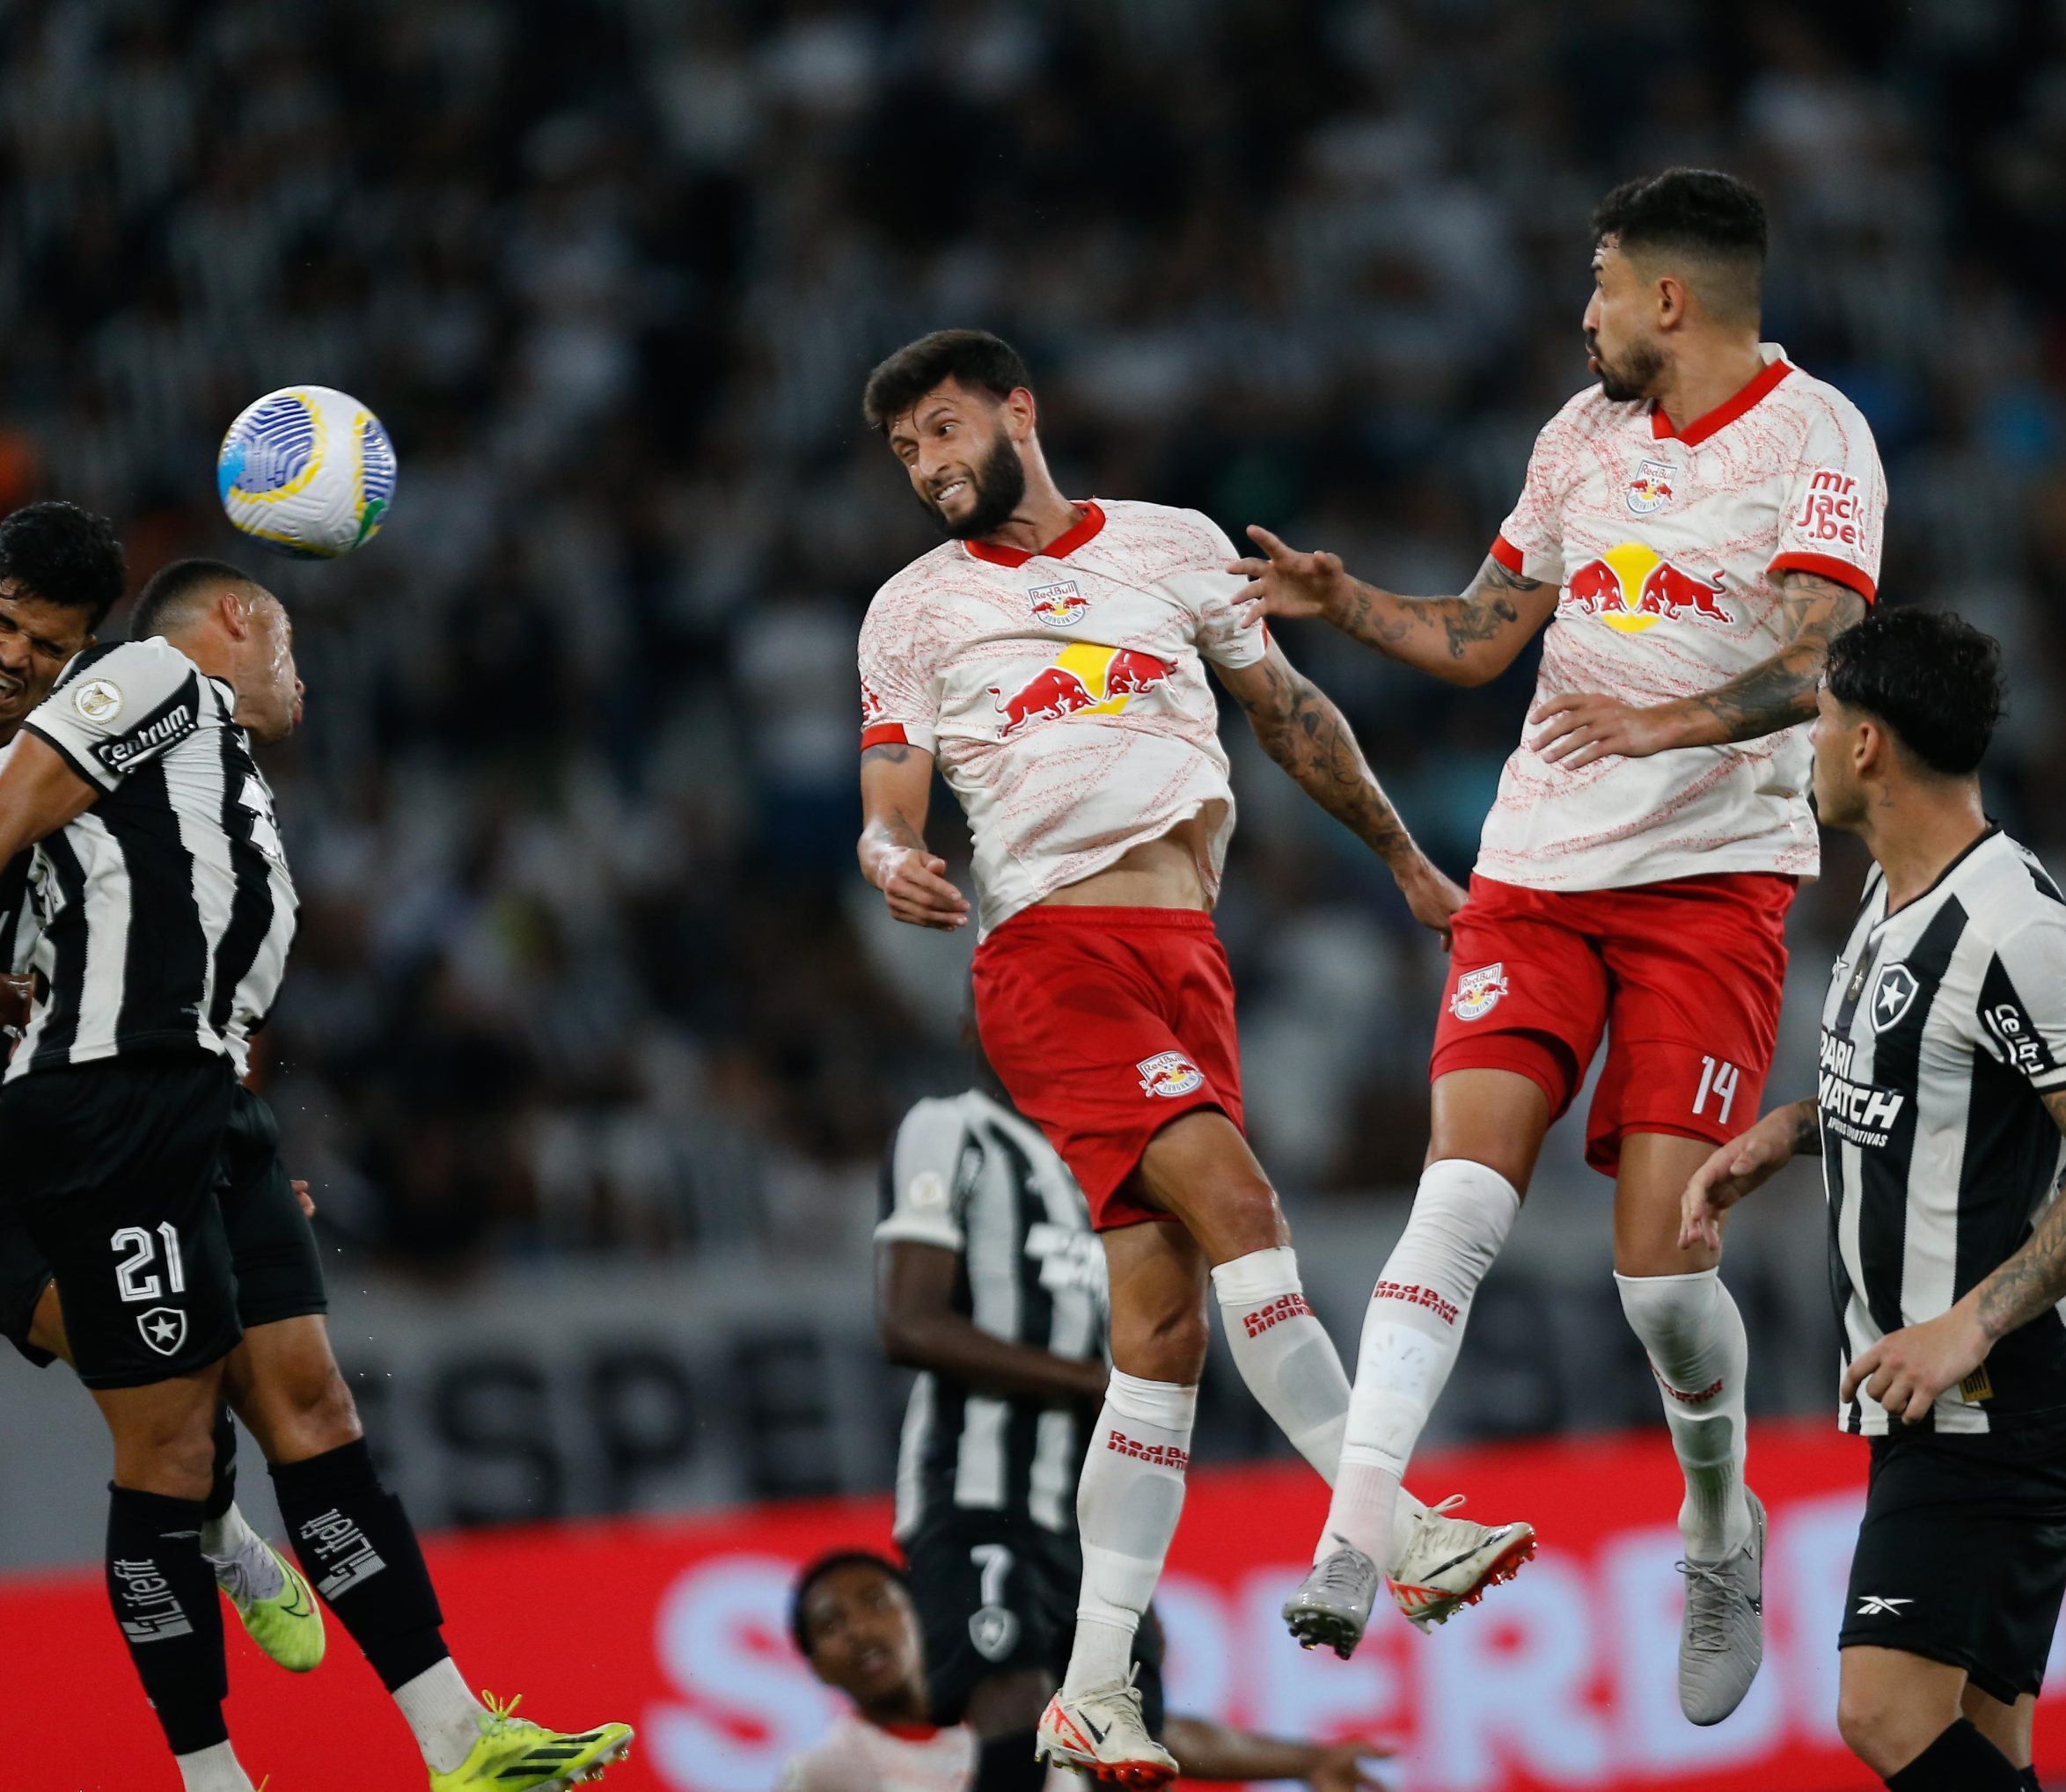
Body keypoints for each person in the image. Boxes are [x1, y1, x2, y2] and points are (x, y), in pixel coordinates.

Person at [1234, 166, 1887, 1723]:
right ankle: (1356, 1533)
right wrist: (1348, 604)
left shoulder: (1819, 437)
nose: (1580, 313)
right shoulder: (1576, 437)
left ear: (1671, 298)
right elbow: (1480, 635)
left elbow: (1822, 650)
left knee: (1662, 1286)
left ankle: (1717, 1524)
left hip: (1715, 881)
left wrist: (1663, 718)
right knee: (1457, 1193)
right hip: (1534, 871)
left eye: (1598, 284)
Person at [855, 329, 1531, 1787]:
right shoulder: (912, 612)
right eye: (906, 450)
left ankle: (1094, 1688)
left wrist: (1408, 861)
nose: (928, 463)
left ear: (1019, 412)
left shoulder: (1170, 548)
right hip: (1051, 961)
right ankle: (1390, 1525)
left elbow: (1288, 713)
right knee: (1246, 1212)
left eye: (945, 427)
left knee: (1159, 1336)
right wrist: (888, 852)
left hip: (1187, 960)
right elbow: (891, 785)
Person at [0, 557, 631, 1791]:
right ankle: (212, 1776)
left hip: (208, 1111)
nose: (306, 677)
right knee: (168, 1443)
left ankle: (458, 1737)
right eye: (289, 647)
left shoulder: (214, 772)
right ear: (233, 623)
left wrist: (31, 991)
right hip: (115, 1112)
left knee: (313, 1406)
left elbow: (124, 914)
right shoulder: (155, 678)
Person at [0, 502, 318, 1670]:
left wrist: (230, 1152)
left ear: (80, 659)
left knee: (155, 1368)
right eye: (4, 622)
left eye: (49, 648)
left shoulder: (83, 775)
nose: (14, 658)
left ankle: (220, 1524)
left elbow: (159, 963)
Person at [1678, 609, 2066, 1792]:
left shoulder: (2012, 924)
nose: (1807, 743)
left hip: (1998, 1397)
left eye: (1819, 719)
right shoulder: (1894, 897)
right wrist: (1792, 1130)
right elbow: (1939, 1098)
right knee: (1989, 1743)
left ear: (1867, 743)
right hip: (1934, 1392)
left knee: (1880, 1712)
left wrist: (1967, 1324)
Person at [781, 1552, 1392, 1792]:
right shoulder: (824, 1774)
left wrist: (1306, 1760)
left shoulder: (1009, 1696)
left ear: (926, 1610)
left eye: (877, 1601)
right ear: (814, 1664)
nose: (860, 1628)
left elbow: (1159, 1734)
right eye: (831, 1624)